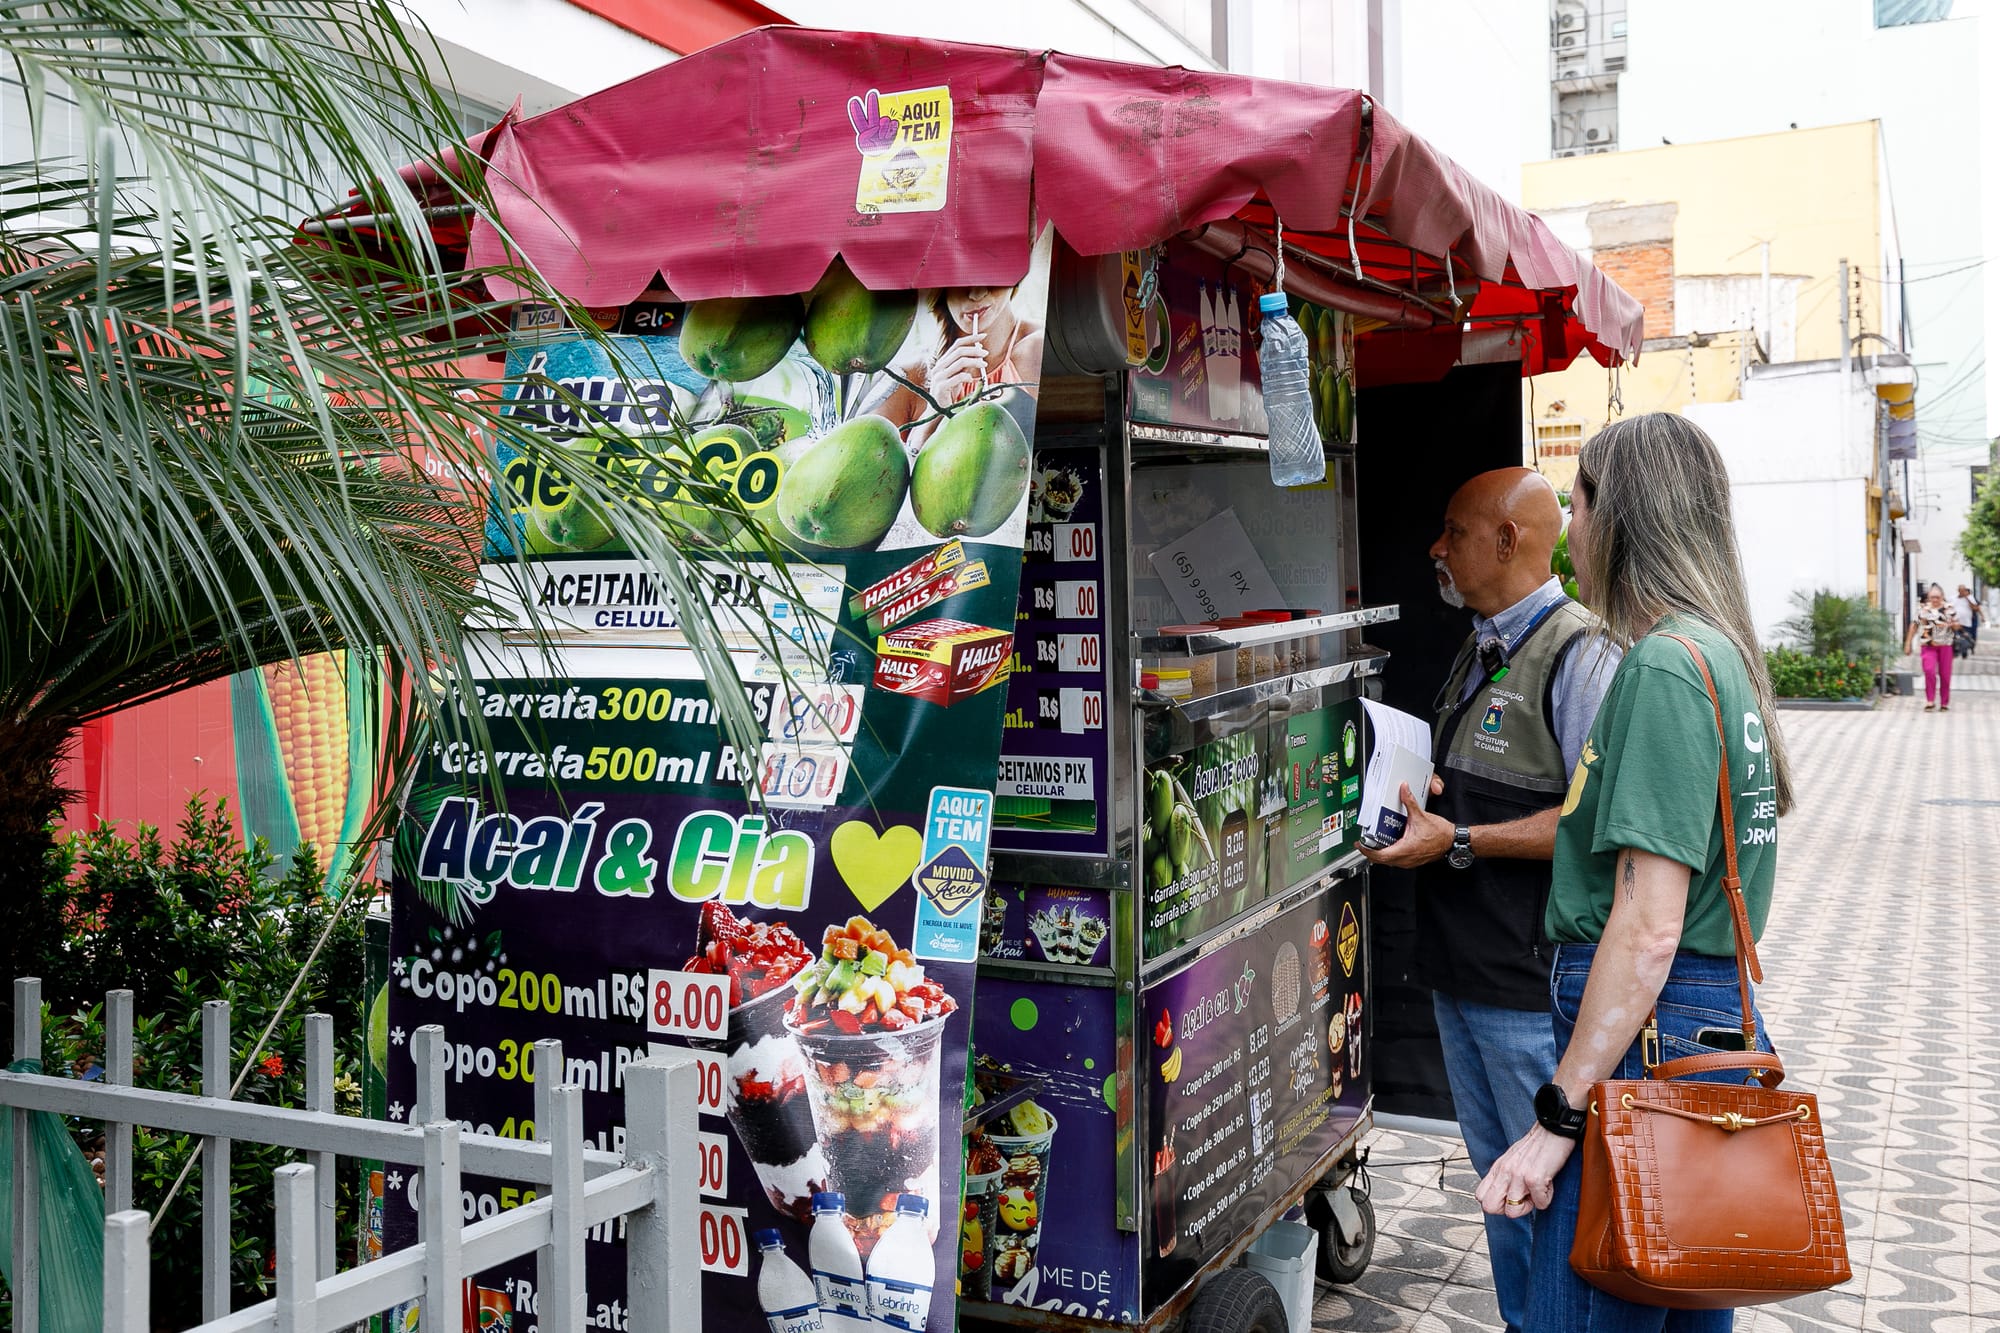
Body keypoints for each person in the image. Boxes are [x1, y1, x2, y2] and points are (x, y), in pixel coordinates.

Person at [1472, 414, 1793, 1332]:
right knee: (1684, 1303)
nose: (1568, 528)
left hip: (1647, 1040)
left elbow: (1649, 926)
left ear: (1622, 515)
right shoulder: (1721, 655)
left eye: (1574, 502)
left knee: (1590, 1310)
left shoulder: (1661, 664)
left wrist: (1557, 1117)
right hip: (1710, 1022)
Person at [1359, 467, 1620, 1333]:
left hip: (1527, 982)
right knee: (1499, 1187)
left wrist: (1460, 839)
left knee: (1549, 1192)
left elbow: (1595, 822)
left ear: (1509, 541)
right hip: (1460, 968)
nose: (1436, 548)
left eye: (1455, 532)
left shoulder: (1582, 653)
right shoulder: (1481, 640)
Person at [865, 286, 1043, 447]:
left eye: (992, 274)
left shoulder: (1039, 350)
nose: (976, 294)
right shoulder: (908, 378)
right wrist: (933, 415)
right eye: (962, 277)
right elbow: (867, 472)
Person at [1903, 584, 1960, 710]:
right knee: (1929, 671)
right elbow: (1914, 626)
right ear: (1928, 597)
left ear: (1942, 597)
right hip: (1928, 645)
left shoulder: (1949, 608)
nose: (1935, 600)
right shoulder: (1923, 610)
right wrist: (1908, 643)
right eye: (1932, 597)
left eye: (1937, 597)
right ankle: (1930, 700)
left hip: (1945, 645)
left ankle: (1944, 703)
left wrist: (1951, 625)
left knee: (1945, 675)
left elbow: (1957, 625)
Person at [1952, 583, 1980, 658]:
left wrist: (1967, 598)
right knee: (1956, 637)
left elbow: (1976, 608)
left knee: (1965, 637)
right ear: (1958, 590)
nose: (1962, 592)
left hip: (1966, 622)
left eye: (1963, 590)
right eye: (1960, 590)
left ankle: (1964, 651)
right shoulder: (1953, 598)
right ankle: (1956, 651)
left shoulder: (1970, 598)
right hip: (1956, 622)